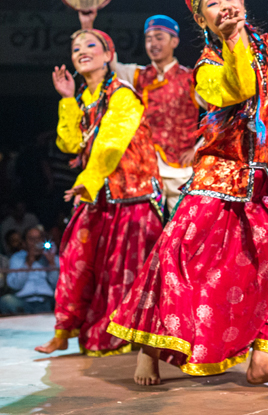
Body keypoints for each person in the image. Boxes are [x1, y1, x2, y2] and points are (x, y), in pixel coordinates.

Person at [107, 0, 268, 386]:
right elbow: (240, 86)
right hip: (220, 179)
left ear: (243, 2)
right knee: (177, 258)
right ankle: (150, 348)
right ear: (202, 21)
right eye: (213, 3)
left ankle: (261, 356)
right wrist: (233, 41)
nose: (225, 5)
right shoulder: (206, 68)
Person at [35, 27, 164, 357]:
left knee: (122, 271)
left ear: (109, 56)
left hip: (132, 194)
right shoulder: (83, 99)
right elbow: (69, 144)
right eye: (76, 48)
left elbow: (111, 144)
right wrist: (66, 99)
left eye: (90, 45)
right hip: (98, 192)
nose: (81, 51)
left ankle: (126, 332)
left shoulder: (123, 94)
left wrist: (88, 179)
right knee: (76, 260)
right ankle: (64, 330)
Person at [81, 11, 205, 215]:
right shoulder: (137, 75)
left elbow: (218, 114)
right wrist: (88, 25)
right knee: (148, 231)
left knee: (183, 229)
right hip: (145, 169)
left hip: (180, 171)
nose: (153, 43)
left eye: (159, 37)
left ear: (174, 41)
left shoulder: (190, 78)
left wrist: (198, 148)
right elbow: (108, 64)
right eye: (148, 39)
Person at [0, 226, 59, 315]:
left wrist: (51, 263)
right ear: (24, 243)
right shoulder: (17, 258)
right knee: (6, 300)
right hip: (24, 301)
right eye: (32, 239)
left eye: (39, 238)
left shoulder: (53, 258)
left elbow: (57, 285)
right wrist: (28, 262)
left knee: (66, 301)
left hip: (47, 300)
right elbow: (14, 285)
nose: (36, 242)